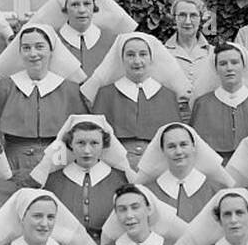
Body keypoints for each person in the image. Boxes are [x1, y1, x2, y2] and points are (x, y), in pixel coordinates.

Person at [0, 23, 88, 185]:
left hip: (57, 164)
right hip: (13, 164)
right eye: (26, 48)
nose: (33, 54)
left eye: (39, 47)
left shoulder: (69, 89)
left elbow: (81, 132)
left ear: (51, 50)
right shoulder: (5, 87)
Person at [80, 32, 188, 169]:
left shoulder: (168, 95)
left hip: (158, 165)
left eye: (143, 54)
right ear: (122, 59)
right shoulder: (106, 94)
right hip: (117, 165)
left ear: (151, 58)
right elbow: (97, 139)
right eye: (130, 55)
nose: (137, 61)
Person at [29, 114, 131, 241]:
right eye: (80, 143)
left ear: (104, 144)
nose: (87, 150)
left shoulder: (120, 180)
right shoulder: (53, 181)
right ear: (70, 144)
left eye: (94, 143)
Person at [187, 42, 248, 161]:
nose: (229, 68)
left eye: (235, 62)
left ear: (244, 65)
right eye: (223, 64)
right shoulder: (202, 104)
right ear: (215, 69)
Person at [29, 0, 138, 79]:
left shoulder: (112, 40)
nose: (82, 10)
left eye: (87, 4)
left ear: (94, 7)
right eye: (75, 5)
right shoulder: (51, 41)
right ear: (65, 9)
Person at [131, 121, 234, 221]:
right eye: (171, 146)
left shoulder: (218, 191)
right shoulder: (146, 193)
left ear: (194, 147)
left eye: (183, 144)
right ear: (162, 150)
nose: (179, 152)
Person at [162, 0, 215, 122]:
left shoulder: (213, 53)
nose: (187, 21)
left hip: (207, 119)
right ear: (174, 19)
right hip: (171, 118)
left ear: (201, 18)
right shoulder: (162, 53)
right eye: (182, 15)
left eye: (193, 15)